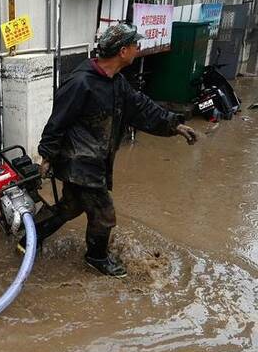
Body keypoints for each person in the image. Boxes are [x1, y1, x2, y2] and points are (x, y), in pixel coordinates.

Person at [21, 23, 198, 277]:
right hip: (80, 162)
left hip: (95, 160)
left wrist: (175, 125)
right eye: (135, 45)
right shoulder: (81, 82)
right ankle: (95, 257)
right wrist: (47, 156)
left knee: (70, 207)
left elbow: (141, 108)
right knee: (104, 213)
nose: (138, 49)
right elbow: (57, 121)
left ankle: (29, 237)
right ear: (123, 51)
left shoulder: (116, 82)